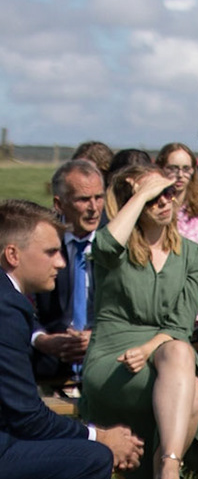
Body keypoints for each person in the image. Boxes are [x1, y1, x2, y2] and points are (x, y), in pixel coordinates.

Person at [0, 200, 143, 479]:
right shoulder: (7, 309)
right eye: (51, 252)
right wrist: (100, 437)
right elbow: (24, 414)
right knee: (88, 461)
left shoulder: (8, 300)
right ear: (12, 254)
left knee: (47, 459)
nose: (62, 263)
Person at [81, 166, 198, 479]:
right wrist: (141, 192)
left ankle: (167, 471)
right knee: (189, 390)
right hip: (113, 354)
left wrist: (149, 348)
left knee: (179, 354)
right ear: (133, 203)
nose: (163, 202)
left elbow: (180, 325)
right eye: (152, 198)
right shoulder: (117, 248)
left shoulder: (191, 254)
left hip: (167, 350)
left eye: (168, 194)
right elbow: (104, 245)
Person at [30, 158, 105, 388]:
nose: (94, 208)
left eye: (99, 197)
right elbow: (14, 301)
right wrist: (41, 339)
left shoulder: (118, 241)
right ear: (59, 204)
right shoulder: (37, 240)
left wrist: (100, 336)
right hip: (49, 353)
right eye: (83, 199)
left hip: (107, 351)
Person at [156, 142, 198, 337]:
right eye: (173, 168)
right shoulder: (152, 211)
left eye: (186, 169)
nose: (180, 175)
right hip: (160, 297)